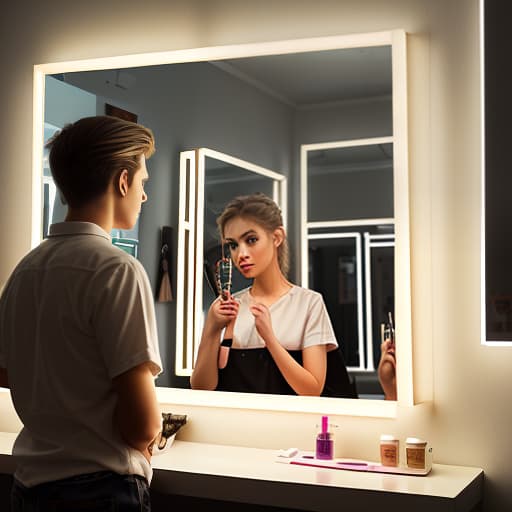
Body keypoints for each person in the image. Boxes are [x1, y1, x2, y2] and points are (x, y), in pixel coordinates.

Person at [0, 115, 163, 511]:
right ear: (122, 181)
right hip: (100, 491)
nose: (143, 196)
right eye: (142, 182)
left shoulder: (25, 269)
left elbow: (6, 372)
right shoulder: (117, 269)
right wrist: (146, 441)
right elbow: (143, 424)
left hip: (30, 487)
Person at [190, 192, 356, 397]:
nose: (241, 254)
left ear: (276, 237)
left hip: (290, 427)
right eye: (233, 245)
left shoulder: (308, 304)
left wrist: (269, 338)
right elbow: (201, 388)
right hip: (234, 426)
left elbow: (312, 390)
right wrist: (212, 329)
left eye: (251, 240)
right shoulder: (228, 307)